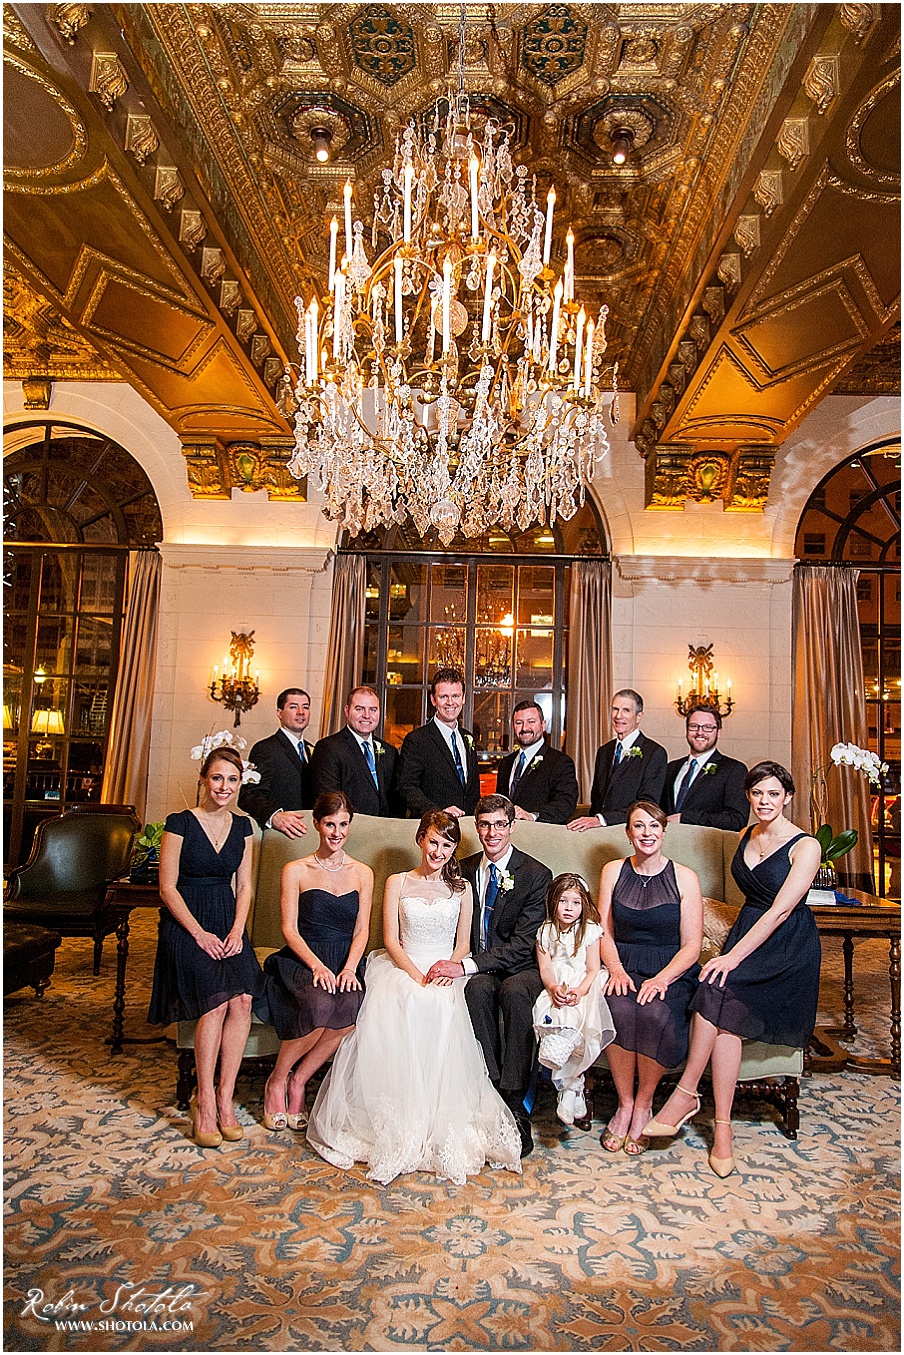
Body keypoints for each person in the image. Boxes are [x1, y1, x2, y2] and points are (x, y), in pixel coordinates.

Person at [306, 810, 522, 1184]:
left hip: (443, 969)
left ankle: (438, 1114)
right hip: (403, 965)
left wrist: (446, 970)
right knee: (406, 1000)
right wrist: (413, 972)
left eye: (448, 844)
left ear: (455, 848)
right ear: (421, 839)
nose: (439, 850)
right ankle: (402, 1114)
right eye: (434, 841)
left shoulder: (462, 888)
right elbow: (390, 938)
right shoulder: (397, 882)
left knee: (440, 1003)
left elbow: (463, 944)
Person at [645, 762, 821, 1177]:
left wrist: (732, 956)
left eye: (774, 794)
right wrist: (731, 953)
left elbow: (780, 911)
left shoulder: (806, 845)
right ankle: (721, 1128)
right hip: (748, 931)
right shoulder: (745, 834)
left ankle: (687, 1094)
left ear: (788, 797)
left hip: (787, 947)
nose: (765, 802)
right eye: (758, 794)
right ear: (748, 796)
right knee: (720, 1007)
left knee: (717, 987)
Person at [148, 746, 266, 1148]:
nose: (224, 787)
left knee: (244, 1001)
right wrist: (199, 934)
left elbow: (246, 885)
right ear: (203, 778)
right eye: (217, 778)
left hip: (227, 919)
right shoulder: (179, 822)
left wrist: (237, 931)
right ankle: (204, 1103)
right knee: (216, 1001)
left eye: (232, 780)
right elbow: (167, 887)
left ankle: (224, 1096)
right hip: (186, 923)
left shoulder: (245, 827)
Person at [426, 794, 552, 1156]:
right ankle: (490, 1090)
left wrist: (464, 965)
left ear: (512, 826)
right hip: (479, 966)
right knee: (477, 990)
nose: (492, 832)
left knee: (513, 992)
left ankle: (515, 1103)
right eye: (484, 824)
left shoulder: (535, 874)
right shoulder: (461, 869)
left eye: (499, 824)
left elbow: (524, 943)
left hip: (523, 967)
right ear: (476, 828)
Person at [596, 801, 703, 1156]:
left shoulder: (685, 877)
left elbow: (692, 945)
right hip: (623, 963)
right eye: (638, 826)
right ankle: (625, 1104)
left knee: (655, 1013)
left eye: (654, 826)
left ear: (663, 832)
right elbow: (603, 932)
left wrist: (662, 979)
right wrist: (614, 968)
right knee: (617, 1008)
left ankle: (644, 1104)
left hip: (670, 968)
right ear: (627, 833)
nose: (646, 833)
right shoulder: (612, 871)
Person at [261, 792, 372, 1131]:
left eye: (343, 824)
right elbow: (288, 930)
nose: (336, 832)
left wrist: (350, 968)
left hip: (344, 959)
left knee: (351, 1010)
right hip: (304, 957)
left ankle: (300, 1081)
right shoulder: (296, 870)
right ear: (316, 825)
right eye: (329, 824)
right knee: (320, 1005)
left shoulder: (362, 872)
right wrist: (317, 967)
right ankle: (277, 1081)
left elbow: (362, 930)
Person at [533, 873, 615, 1126]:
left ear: (584, 904)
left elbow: (593, 969)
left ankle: (568, 1089)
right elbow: (546, 969)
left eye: (576, 903)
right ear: (553, 902)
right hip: (558, 985)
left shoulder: (590, 931)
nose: (569, 908)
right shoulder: (545, 932)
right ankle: (574, 1088)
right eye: (563, 901)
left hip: (584, 986)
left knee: (576, 1020)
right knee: (552, 1015)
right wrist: (553, 986)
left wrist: (579, 991)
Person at [569, 690, 668, 830]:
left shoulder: (654, 753)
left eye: (626, 710)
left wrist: (603, 820)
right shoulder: (604, 751)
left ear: (639, 716)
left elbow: (648, 804)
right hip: (597, 832)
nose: (618, 716)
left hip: (629, 832)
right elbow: (597, 798)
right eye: (615, 709)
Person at [396, 667, 480, 818]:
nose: (450, 702)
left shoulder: (468, 738)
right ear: (433, 700)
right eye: (443, 697)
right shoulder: (417, 740)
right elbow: (406, 787)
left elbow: (472, 791)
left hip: (468, 828)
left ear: (463, 698)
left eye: (455, 696)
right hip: (434, 829)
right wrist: (437, 812)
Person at [308, 686, 399, 817]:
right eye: (359, 709)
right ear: (347, 710)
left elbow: (395, 799)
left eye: (373, 710)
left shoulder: (389, 752)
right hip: (349, 830)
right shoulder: (328, 748)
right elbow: (329, 799)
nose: (367, 715)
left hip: (385, 831)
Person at [239, 688, 313, 836]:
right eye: (293, 707)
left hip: (309, 832)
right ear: (279, 713)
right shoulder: (265, 749)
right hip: (280, 834)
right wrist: (274, 816)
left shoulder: (311, 749)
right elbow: (248, 796)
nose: (301, 712)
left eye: (305, 707)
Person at [662, 705, 748, 831]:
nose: (700, 732)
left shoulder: (734, 770)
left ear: (718, 732)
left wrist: (686, 818)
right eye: (694, 726)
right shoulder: (671, 768)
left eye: (707, 727)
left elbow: (736, 820)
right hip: (666, 845)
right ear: (686, 730)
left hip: (705, 847)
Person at [496, 701, 579, 824]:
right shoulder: (506, 763)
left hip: (540, 836)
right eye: (519, 723)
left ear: (543, 725)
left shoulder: (560, 762)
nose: (525, 728)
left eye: (531, 722)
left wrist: (533, 816)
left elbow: (565, 803)